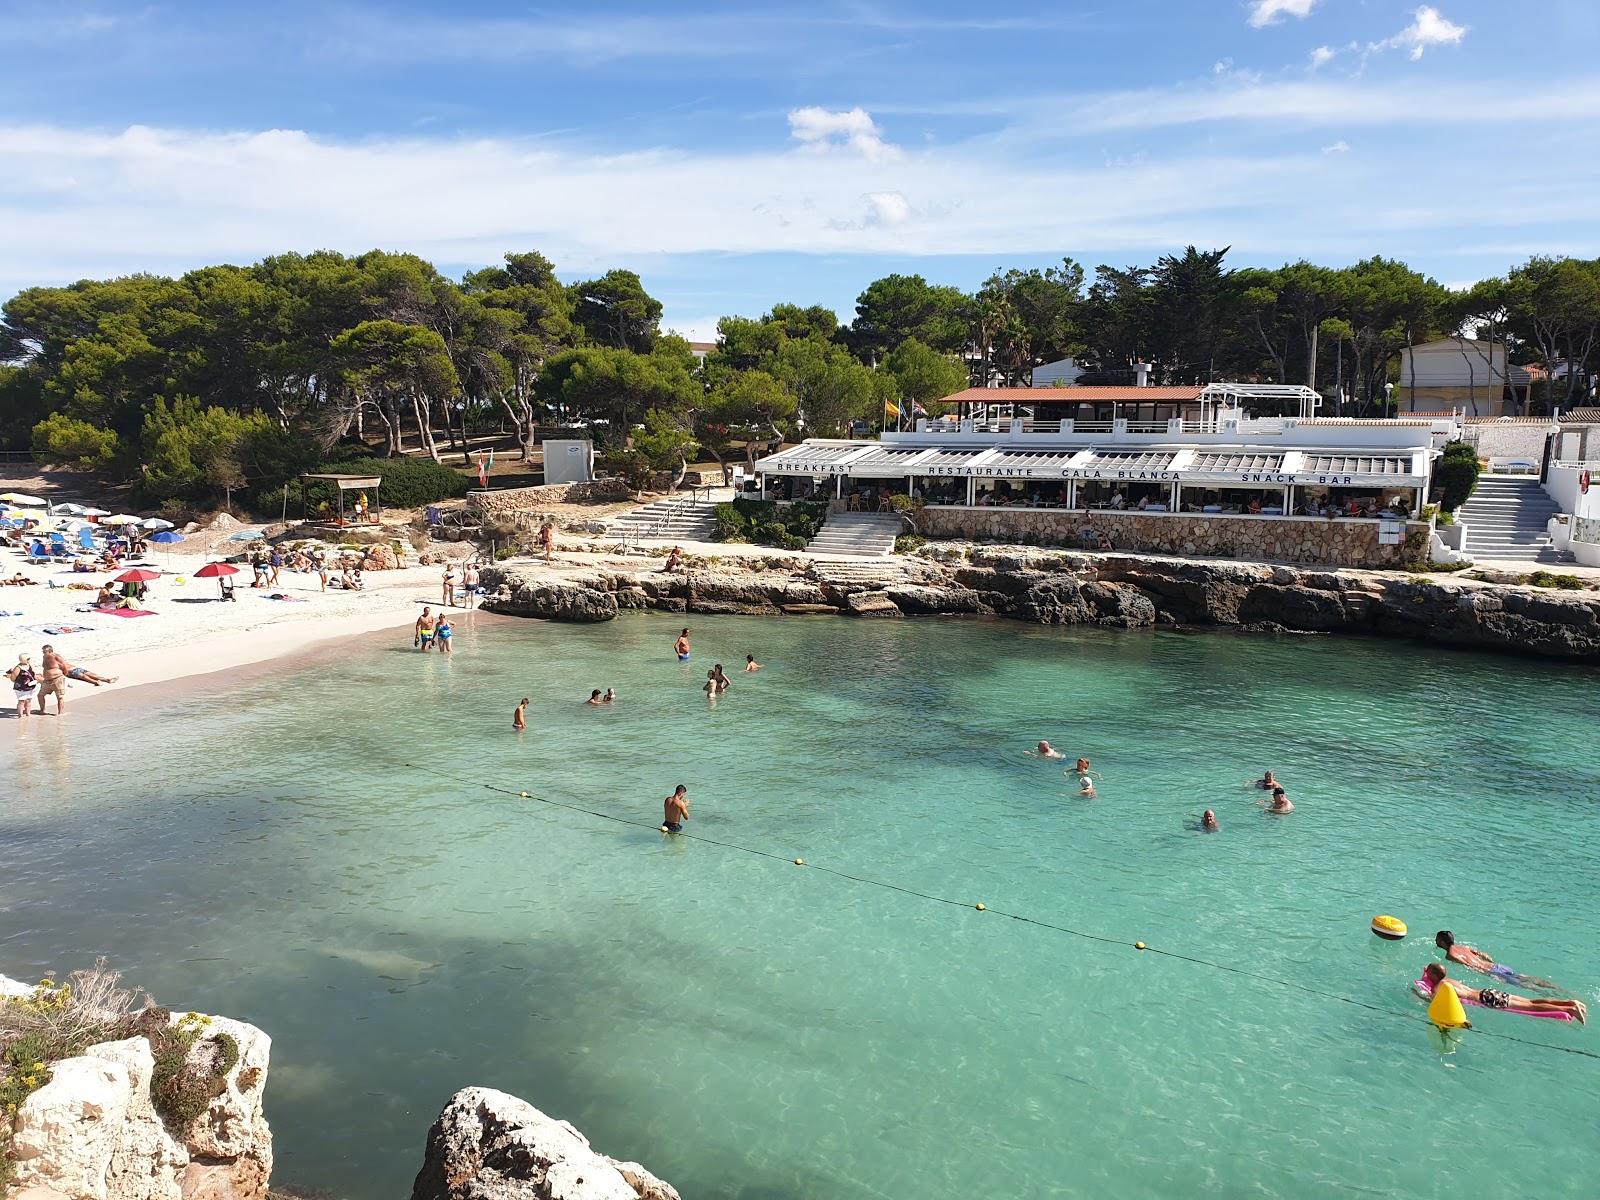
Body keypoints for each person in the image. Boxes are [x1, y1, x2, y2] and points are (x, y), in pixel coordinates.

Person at [1421, 963, 1585, 1024]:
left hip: (1486, 999)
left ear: (1434, 976)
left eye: (1428, 973)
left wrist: (1419, 994)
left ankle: (1570, 1010)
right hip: (1488, 992)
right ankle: (1570, 1003)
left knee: (1530, 1007)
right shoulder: (1450, 980)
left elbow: (1434, 1001)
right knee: (1531, 1001)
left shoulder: (1441, 985)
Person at [1434, 932, 1560, 991]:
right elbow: (1483, 955)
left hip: (1490, 971)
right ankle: (1554, 987)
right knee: (1522, 976)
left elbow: (1468, 965)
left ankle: (1546, 993)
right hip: (1496, 966)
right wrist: (1491, 964)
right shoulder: (1464, 947)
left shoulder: (1450, 955)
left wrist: (1489, 975)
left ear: (1443, 943)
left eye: (1437, 941)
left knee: (1522, 984)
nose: (1436, 942)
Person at [37, 644, 115, 714]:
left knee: (59, 697)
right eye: (43, 652)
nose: (43, 653)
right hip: (47, 681)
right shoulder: (45, 657)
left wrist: (64, 675)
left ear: (50, 651)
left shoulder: (57, 657)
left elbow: (64, 666)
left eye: (45, 652)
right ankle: (42, 710)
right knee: (40, 695)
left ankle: (60, 713)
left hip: (57, 679)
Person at [9, 654, 39, 720]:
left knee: (28, 700)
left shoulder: (29, 665)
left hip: (29, 686)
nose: (29, 660)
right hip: (20, 687)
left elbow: (32, 674)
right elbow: (13, 678)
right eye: (27, 659)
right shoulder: (18, 668)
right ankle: (20, 716)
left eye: (29, 659)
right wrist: (20, 682)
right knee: (21, 701)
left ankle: (28, 714)